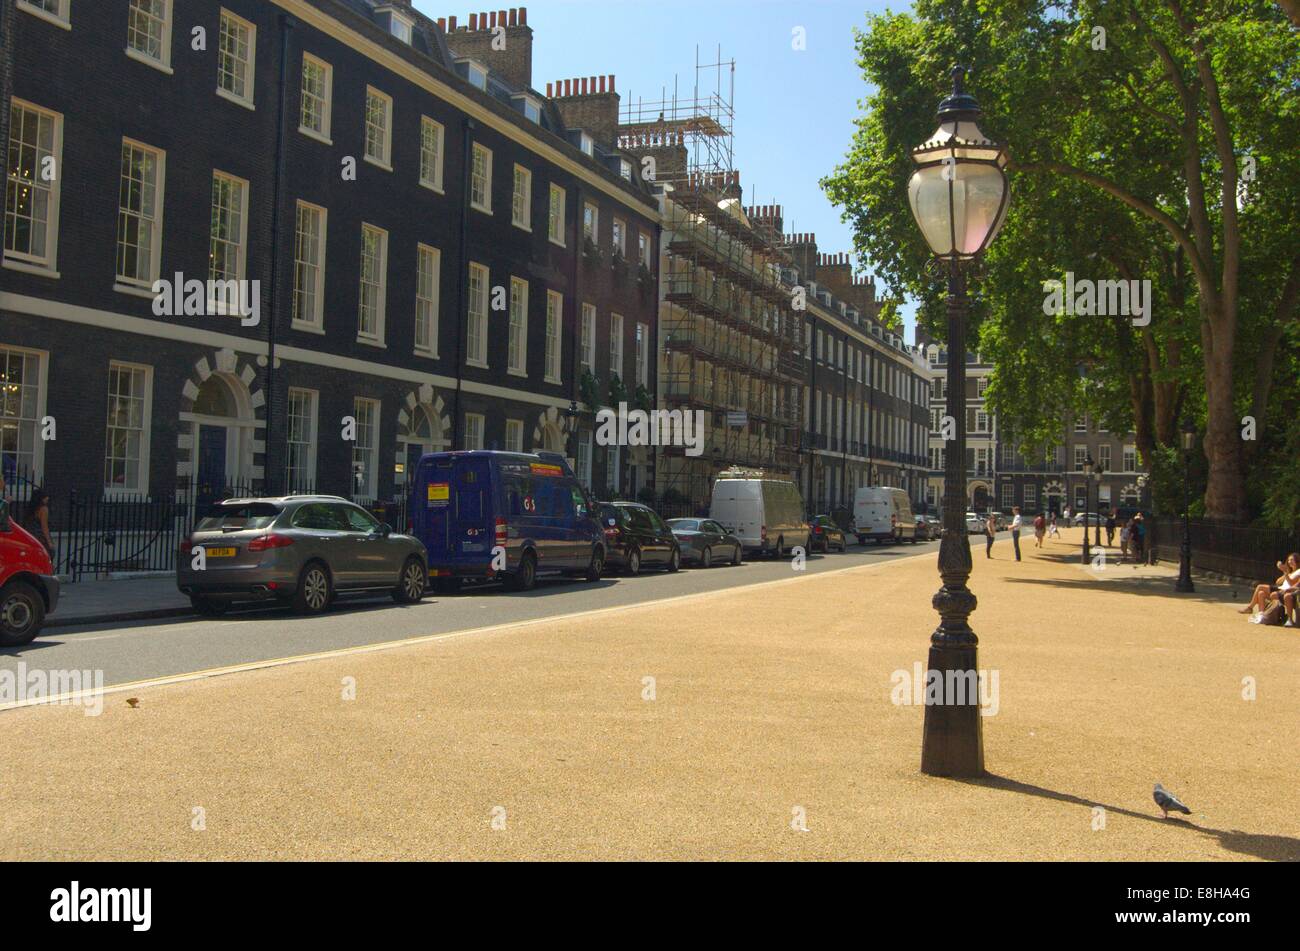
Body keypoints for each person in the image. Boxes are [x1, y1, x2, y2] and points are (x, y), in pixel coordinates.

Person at [1241, 554, 1300, 619]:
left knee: (1260, 586)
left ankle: (1250, 607)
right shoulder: (1290, 572)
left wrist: (1285, 572)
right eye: (1288, 560)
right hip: (1280, 588)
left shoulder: (1298, 571)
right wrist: (1285, 572)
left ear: (1297, 560)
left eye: (1291, 560)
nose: (1289, 562)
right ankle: (1262, 615)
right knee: (1261, 593)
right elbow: (1278, 582)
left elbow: (1292, 584)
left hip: (1285, 591)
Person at [25, 487, 54, 558]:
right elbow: (44, 527)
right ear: (41, 498)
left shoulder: (31, 508)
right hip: (40, 538)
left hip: (30, 537)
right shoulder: (44, 509)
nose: (48, 498)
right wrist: (49, 542)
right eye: (46, 496)